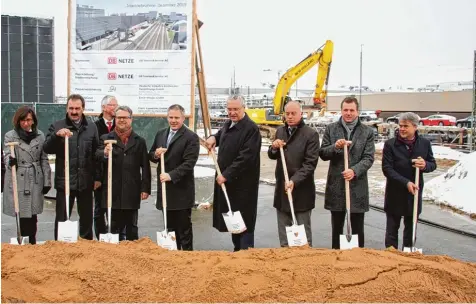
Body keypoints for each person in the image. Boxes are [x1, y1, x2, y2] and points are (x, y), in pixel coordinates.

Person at [205, 95, 262, 251]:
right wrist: (213, 138)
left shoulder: (251, 129)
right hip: (230, 185)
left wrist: (226, 174)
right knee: (233, 222)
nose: (232, 112)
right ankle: (237, 254)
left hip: (243, 187)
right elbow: (221, 134)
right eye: (229, 109)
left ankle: (246, 257)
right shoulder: (229, 124)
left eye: (236, 109)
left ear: (243, 108)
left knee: (244, 223)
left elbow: (246, 158)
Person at [319, 96, 375, 249]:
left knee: (357, 229)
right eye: (345, 110)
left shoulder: (367, 132)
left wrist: (354, 171)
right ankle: (336, 259)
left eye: (352, 110)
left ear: (357, 111)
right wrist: (335, 147)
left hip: (357, 187)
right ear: (341, 110)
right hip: (336, 187)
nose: (348, 113)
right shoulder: (332, 129)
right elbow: (323, 153)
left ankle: (357, 260)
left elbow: (369, 158)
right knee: (337, 228)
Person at [43, 94, 101, 241]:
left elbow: (96, 154)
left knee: (87, 217)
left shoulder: (92, 128)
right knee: (62, 217)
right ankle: (61, 246)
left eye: (77, 108)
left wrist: (98, 177)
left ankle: (86, 245)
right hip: (65, 181)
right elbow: (47, 148)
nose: (74, 112)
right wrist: (57, 136)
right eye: (71, 108)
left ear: (83, 109)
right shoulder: (57, 126)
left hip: (86, 181)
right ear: (66, 108)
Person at [268, 101, 320, 247]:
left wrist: (294, 180)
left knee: (302, 237)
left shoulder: (310, 134)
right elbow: (273, 155)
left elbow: (310, 164)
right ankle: (286, 262)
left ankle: (304, 264)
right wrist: (273, 147)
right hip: (282, 189)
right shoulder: (280, 132)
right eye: (287, 114)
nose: (290, 117)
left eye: (293, 113)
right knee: (284, 236)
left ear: (300, 114)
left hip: (301, 190)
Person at [382, 112, 436, 250]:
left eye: (406, 126)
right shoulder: (390, 145)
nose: (402, 129)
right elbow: (387, 169)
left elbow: (432, 163)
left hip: (414, 195)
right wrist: (405, 183)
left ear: (415, 127)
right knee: (391, 231)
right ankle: (390, 256)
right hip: (395, 193)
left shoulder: (424, 144)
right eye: (400, 126)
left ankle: (408, 254)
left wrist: (425, 165)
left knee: (410, 231)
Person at [149, 104, 199, 250]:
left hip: (181, 191)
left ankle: (187, 257)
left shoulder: (191, 137)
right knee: (169, 227)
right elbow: (151, 154)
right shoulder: (161, 134)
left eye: (177, 117)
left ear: (183, 118)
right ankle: (172, 257)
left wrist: (171, 175)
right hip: (166, 191)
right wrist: (156, 154)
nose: (173, 120)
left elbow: (189, 163)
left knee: (183, 229)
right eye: (171, 117)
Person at [97, 106, 151, 241]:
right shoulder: (105, 138)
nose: (121, 120)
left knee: (131, 227)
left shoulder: (139, 141)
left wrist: (145, 188)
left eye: (125, 118)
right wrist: (104, 152)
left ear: (131, 119)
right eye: (119, 117)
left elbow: (145, 166)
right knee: (113, 226)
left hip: (131, 191)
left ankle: (132, 257)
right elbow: (96, 156)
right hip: (111, 190)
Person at [3, 106, 52, 244]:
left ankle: (32, 240)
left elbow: (44, 158)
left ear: (33, 121)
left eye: (28, 120)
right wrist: (10, 161)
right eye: (22, 120)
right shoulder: (10, 136)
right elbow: (7, 154)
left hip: (35, 178)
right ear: (18, 121)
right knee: (23, 212)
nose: (25, 123)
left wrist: (47, 180)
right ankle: (24, 240)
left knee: (33, 213)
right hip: (19, 177)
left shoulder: (40, 135)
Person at [93, 95, 118, 240]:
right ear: (103, 108)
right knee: (99, 209)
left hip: (116, 175)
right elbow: (92, 154)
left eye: (116, 105)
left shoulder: (120, 125)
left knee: (114, 208)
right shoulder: (95, 127)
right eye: (112, 105)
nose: (115, 108)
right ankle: (101, 236)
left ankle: (114, 235)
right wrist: (96, 178)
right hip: (100, 176)